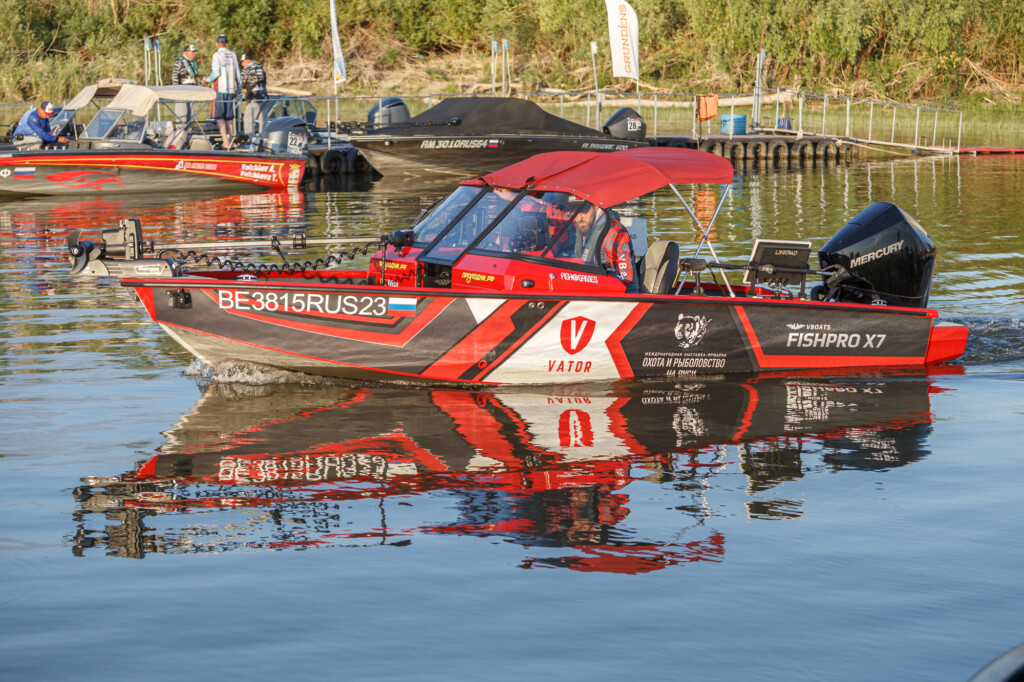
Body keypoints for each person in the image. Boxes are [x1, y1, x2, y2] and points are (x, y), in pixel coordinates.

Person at [571, 202, 638, 292]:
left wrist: (591, 278)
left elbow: (625, 277)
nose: (579, 218)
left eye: (583, 211)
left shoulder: (614, 231)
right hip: (590, 286)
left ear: (596, 206)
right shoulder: (584, 225)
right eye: (575, 212)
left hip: (621, 294)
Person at [202, 34, 241, 149]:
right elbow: (237, 73)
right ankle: (231, 141)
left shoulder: (216, 55)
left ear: (216, 44)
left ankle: (225, 142)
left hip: (220, 89)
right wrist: (239, 88)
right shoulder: (233, 54)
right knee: (229, 117)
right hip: (231, 90)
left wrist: (206, 80)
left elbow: (216, 73)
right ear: (226, 44)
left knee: (219, 117)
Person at [171, 44, 201, 125]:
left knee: (191, 113)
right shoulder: (179, 62)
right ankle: (180, 129)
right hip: (182, 90)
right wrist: (176, 90)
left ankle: (189, 129)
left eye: (194, 52)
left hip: (193, 90)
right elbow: (175, 76)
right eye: (192, 52)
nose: (194, 54)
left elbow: (195, 77)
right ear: (186, 52)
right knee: (181, 111)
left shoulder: (193, 62)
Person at [239, 52, 268, 136]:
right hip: (264, 97)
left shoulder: (246, 70)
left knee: (248, 119)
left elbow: (241, 84)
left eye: (243, 62)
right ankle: (263, 139)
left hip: (253, 98)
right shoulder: (260, 69)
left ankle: (250, 139)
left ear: (248, 60)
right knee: (263, 120)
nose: (242, 64)